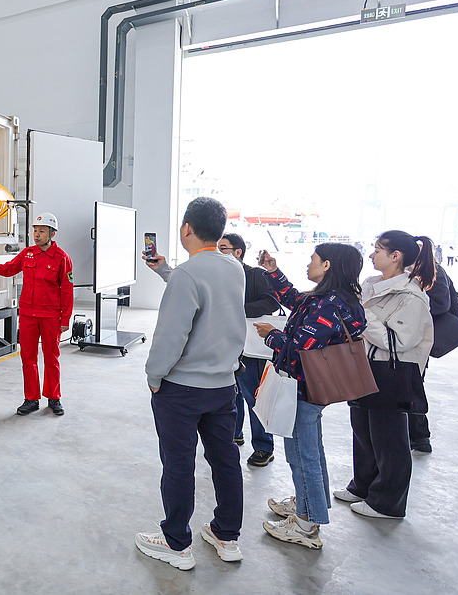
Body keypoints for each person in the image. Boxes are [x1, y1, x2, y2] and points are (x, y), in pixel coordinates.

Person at [134, 197, 246, 570]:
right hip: (223, 387)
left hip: (182, 390)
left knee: (179, 464)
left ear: (187, 228)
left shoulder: (188, 274)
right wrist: (167, 270)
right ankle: (226, 535)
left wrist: (154, 376)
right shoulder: (234, 267)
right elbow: (207, 297)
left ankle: (176, 543)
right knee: (225, 459)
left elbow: (171, 335)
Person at [255, 243, 366, 550]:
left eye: (313, 259)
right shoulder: (329, 299)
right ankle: (308, 504)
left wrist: (271, 335)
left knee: (303, 457)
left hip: (304, 389)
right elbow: (295, 300)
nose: (309, 264)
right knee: (309, 452)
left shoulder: (330, 305)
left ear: (328, 265)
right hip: (309, 388)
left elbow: (300, 348)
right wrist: (273, 271)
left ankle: (306, 525)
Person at [335, 231, 434, 520]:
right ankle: (363, 486)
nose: (371, 255)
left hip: (389, 373)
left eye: (377, 250)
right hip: (362, 366)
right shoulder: (370, 285)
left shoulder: (411, 296)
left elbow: (398, 341)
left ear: (395, 256)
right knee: (362, 430)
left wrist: (360, 315)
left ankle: (387, 503)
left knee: (389, 439)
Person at [0, 212, 72, 416]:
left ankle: (54, 397)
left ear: (52, 234)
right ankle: (31, 399)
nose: (37, 235)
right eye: (35, 231)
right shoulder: (27, 254)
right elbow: (8, 269)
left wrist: (65, 319)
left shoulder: (62, 258)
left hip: (50, 316)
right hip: (28, 314)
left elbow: (67, 290)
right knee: (28, 357)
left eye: (42, 231)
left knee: (51, 357)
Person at [219, 232, 280, 467]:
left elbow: (272, 302)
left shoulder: (256, 275)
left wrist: (237, 309)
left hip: (251, 346)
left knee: (254, 395)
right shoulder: (218, 275)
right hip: (224, 343)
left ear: (238, 252)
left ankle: (264, 446)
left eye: (223, 248)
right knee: (229, 393)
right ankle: (234, 433)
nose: (219, 252)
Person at [413, 261, 458, 452]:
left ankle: (419, 436)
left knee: (413, 384)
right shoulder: (418, 268)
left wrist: (410, 309)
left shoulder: (430, 270)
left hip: (419, 338)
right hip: (414, 336)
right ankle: (417, 435)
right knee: (412, 384)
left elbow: (441, 304)